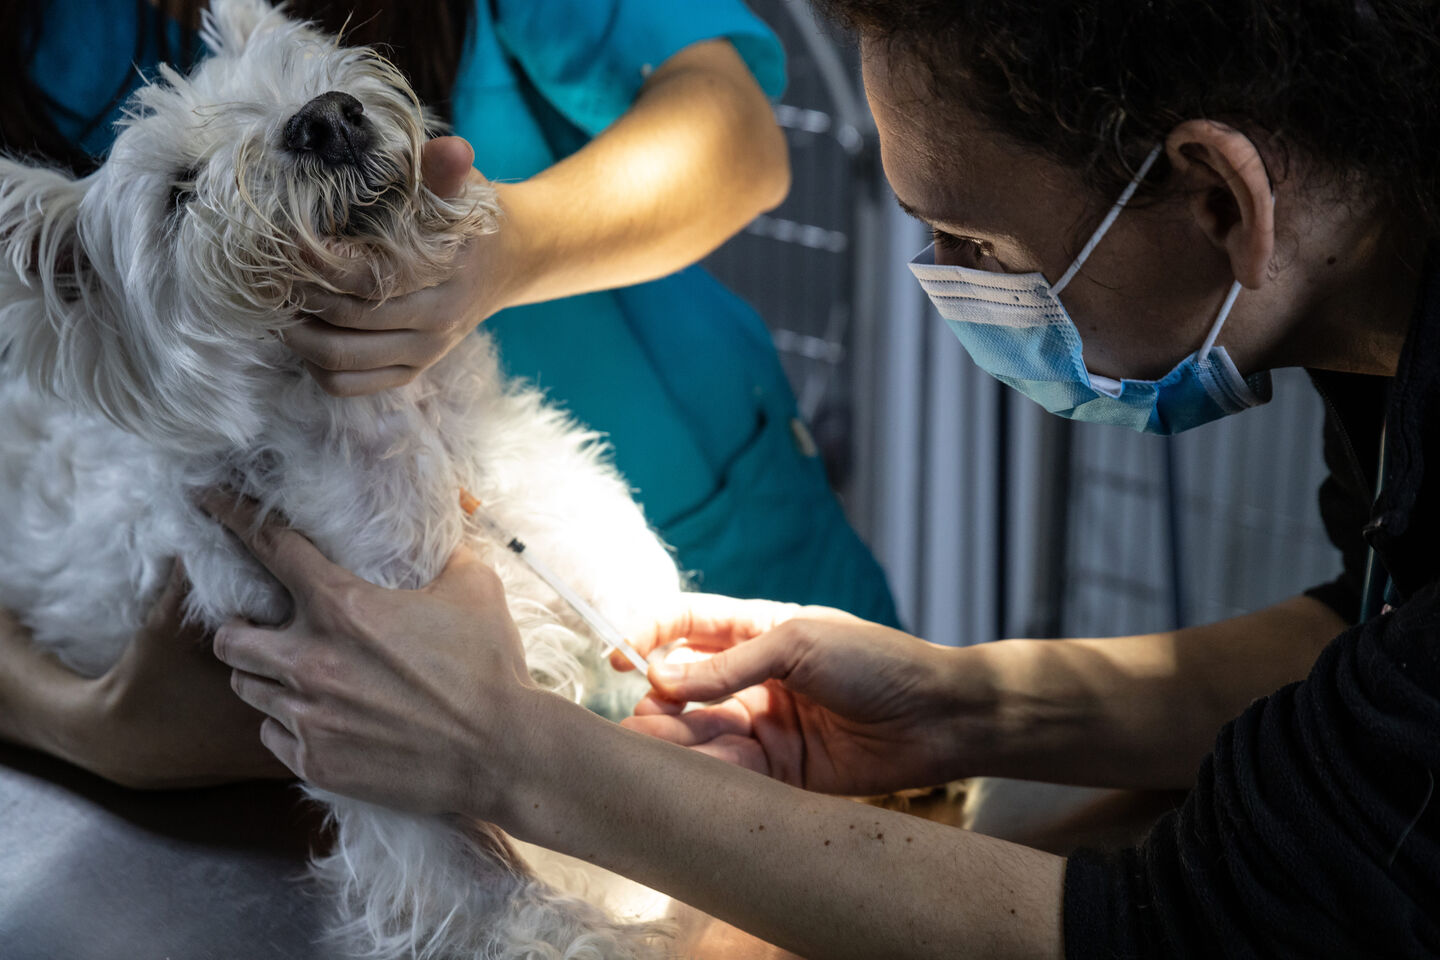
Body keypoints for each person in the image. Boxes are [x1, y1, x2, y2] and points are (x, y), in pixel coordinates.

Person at [199, 0, 1439, 957]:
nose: (952, 282)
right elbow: (1356, 647)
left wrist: (512, 757)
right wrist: (966, 706)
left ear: (1221, 201)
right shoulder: (1376, 307)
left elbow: (1179, 934)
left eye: (979, 244)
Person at [0, 0, 897, 788]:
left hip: (724, 547)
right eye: (189, 191)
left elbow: (738, 133)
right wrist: (98, 727)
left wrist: (514, 245)